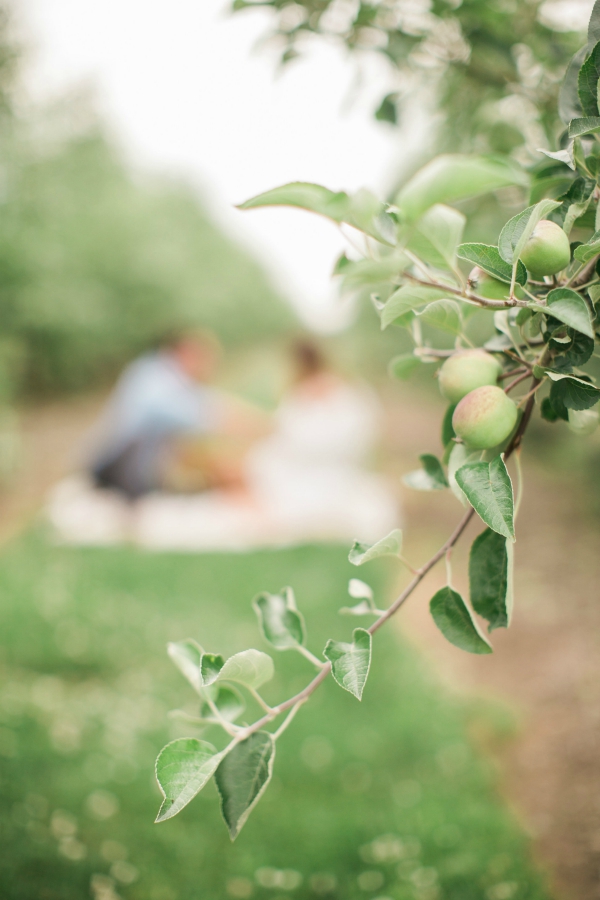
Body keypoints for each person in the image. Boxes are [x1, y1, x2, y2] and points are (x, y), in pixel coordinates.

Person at [246, 338, 399, 543]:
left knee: (261, 467)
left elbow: (290, 434)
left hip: (321, 470)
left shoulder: (308, 393)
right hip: (331, 468)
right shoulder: (349, 387)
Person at [87, 330, 261, 498]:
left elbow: (211, 402)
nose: (209, 367)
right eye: (207, 358)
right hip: (114, 467)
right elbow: (204, 413)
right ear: (187, 353)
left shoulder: (159, 373)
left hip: (129, 464)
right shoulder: (156, 379)